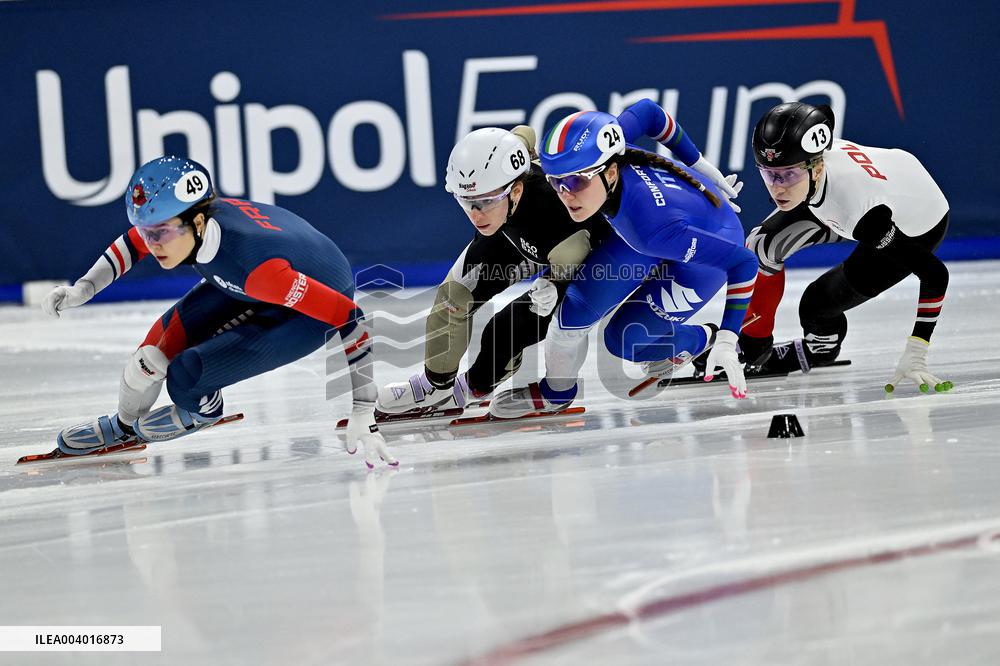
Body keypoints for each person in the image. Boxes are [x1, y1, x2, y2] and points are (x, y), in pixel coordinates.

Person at [42, 156, 395, 467]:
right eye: (147, 232)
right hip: (259, 279)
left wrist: (364, 409)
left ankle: (204, 408)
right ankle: (122, 428)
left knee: (185, 376)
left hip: (307, 310)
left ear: (197, 223)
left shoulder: (258, 270)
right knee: (147, 360)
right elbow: (130, 245)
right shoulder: (184, 225)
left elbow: (350, 318)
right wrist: (84, 288)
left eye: (160, 234)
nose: (151, 244)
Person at [490, 101, 758, 418]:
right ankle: (556, 394)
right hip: (664, 221)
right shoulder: (609, 146)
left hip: (707, 240)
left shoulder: (648, 229)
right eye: (555, 181)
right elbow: (648, 112)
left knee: (624, 341)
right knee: (572, 315)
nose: (565, 194)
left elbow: (743, 262)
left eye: (575, 182)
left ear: (611, 172)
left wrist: (728, 337)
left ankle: (702, 338)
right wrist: (698, 164)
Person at [376, 126, 611, 415]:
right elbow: (524, 133)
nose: (475, 215)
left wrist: (552, 283)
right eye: (466, 202)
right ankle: (434, 387)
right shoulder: (504, 186)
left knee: (507, 328)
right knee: (453, 298)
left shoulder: (558, 215)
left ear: (516, 189)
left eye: (485, 201)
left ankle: (475, 386)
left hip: (572, 252)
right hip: (512, 233)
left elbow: (572, 262)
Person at [738, 102, 953, 393]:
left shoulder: (861, 216)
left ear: (818, 165)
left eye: (788, 175)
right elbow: (824, 111)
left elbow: (935, 273)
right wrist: (752, 340)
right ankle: (755, 344)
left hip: (916, 222)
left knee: (816, 305)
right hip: (879, 183)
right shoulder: (810, 162)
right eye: (769, 174)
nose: (777, 188)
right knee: (761, 245)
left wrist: (917, 350)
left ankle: (820, 350)